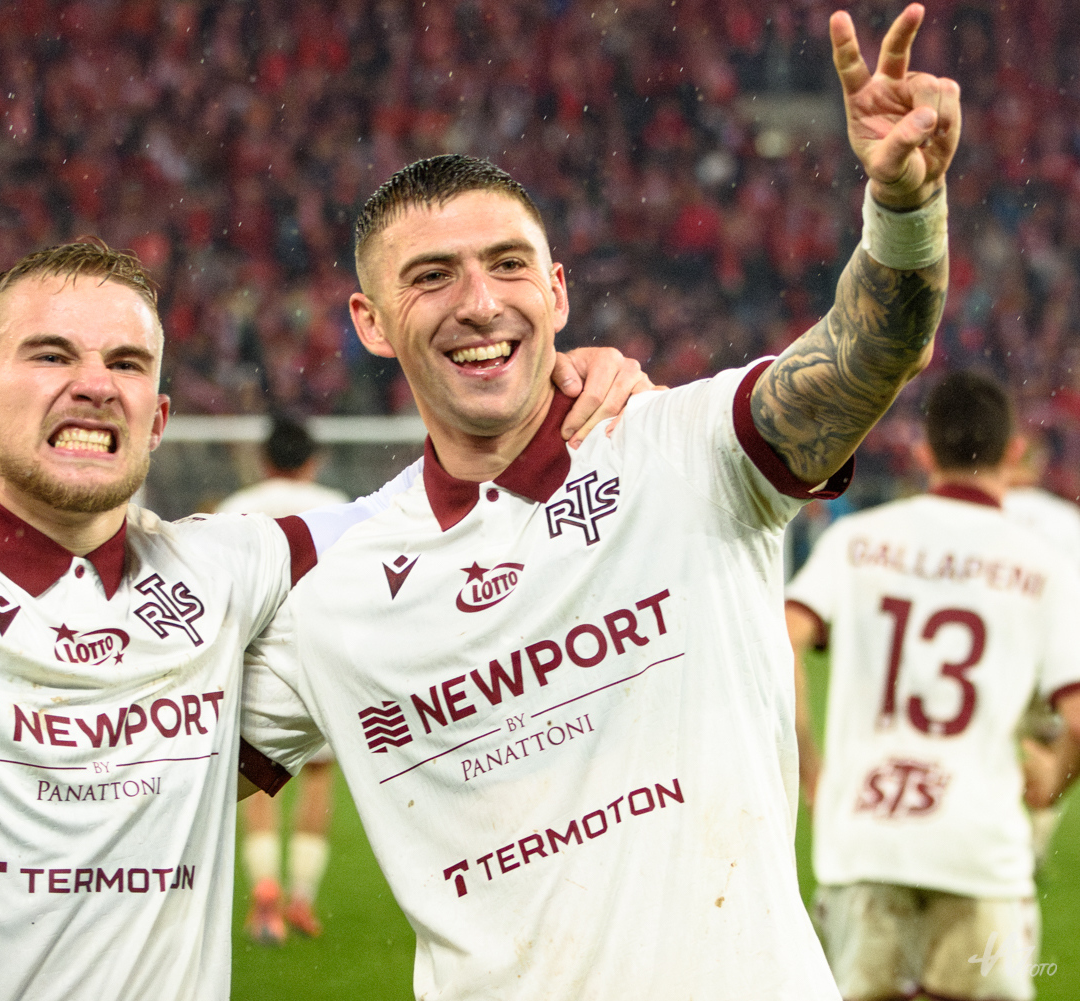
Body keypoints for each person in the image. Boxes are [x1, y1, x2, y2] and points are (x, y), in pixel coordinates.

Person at [0, 85, 650, 998]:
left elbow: (451, 486)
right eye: (51, 355)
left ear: (159, 416)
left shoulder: (229, 570)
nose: (95, 384)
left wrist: (558, 385)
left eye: (126, 363)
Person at [239, 5, 969, 997]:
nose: (480, 303)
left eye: (507, 264)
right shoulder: (341, 591)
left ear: (558, 290)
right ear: (369, 322)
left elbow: (871, 354)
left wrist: (905, 208)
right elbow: (142, 778)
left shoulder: (686, 449)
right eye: (431, 276)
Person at [786, 370, 1080, 1001]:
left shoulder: (856, 541)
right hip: (980, 847)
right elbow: (1077, 717)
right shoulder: (1046, 568)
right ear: (1012, 452)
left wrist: (808, 766)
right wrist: (1053, 776)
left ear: (922, 452)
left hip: (866, 835)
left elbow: (781, 638)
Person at [217, 417, 348, 942]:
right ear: (313, 461)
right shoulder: (338, 506)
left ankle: (265, 892)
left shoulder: (235, 509)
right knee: (317, 779)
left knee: (258, 778)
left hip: (251, 664)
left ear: (264, 460)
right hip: (318, 661)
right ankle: (301, 898)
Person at [1001, 436, 1080, 867]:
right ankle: (1035, 839)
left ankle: (1000, 833)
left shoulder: (992, 511)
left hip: (998, 649)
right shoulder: (1066, 519)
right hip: (1054, 655)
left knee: (991, 743)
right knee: (1049, 747)